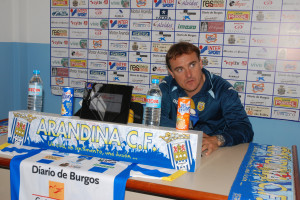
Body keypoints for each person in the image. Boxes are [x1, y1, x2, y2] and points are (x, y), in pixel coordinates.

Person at [159, 42, 254, 156]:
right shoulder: (166, 87)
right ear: (171, 73)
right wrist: (190, 135)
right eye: (180, 69)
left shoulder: (222, 90)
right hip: (178, 149)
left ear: (200, 63)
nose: (188, 75)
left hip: (215, 154)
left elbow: (244, 129)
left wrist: (217, 140)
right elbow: (156, 120)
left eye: (192, 65)